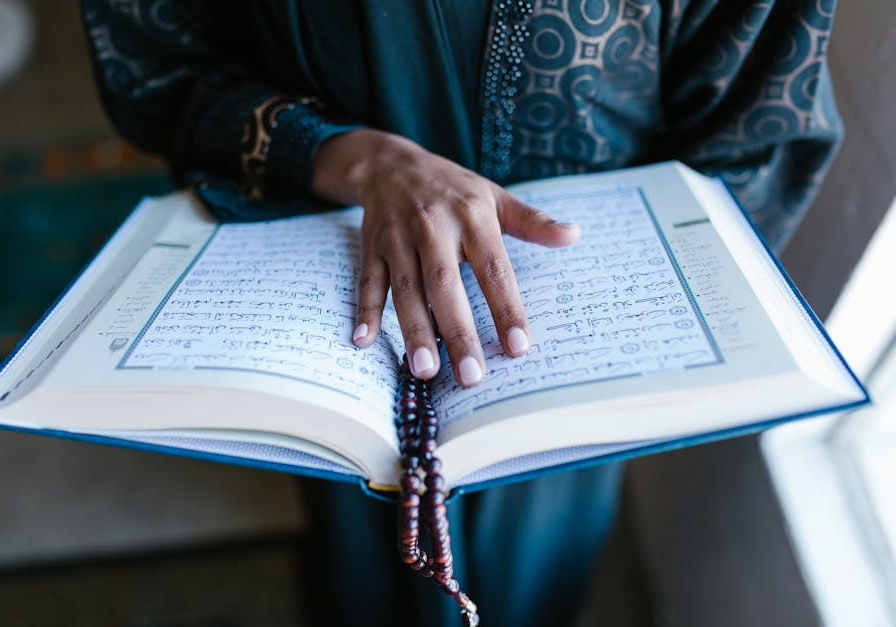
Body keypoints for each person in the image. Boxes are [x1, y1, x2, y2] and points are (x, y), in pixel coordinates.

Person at [82, 2, 842, 625]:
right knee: (360, 542)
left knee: (539, 561)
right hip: (334, 299)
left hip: (571, 344)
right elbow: (158, 64)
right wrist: (347, 155)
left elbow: (760, 134)